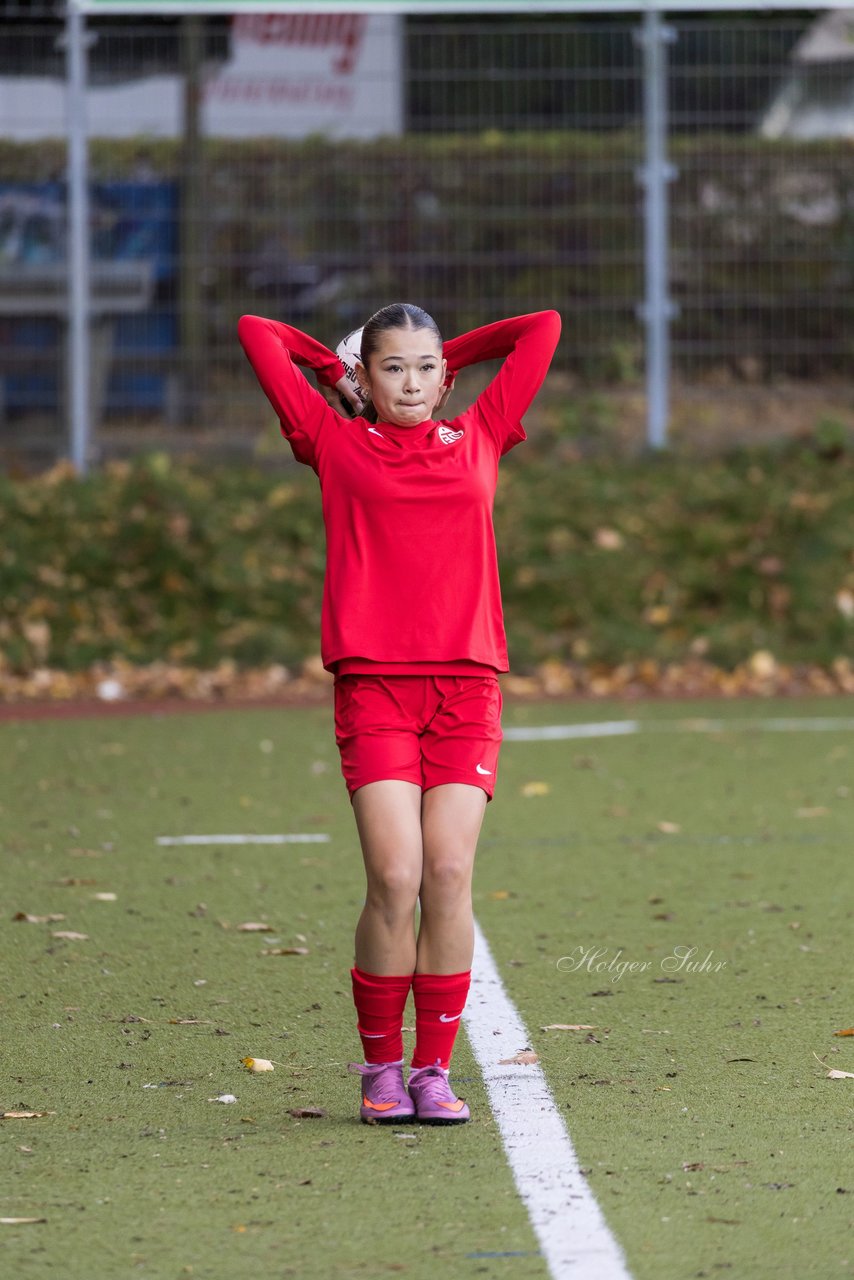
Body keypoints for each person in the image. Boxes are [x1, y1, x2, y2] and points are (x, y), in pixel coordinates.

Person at [238, 302, 561, 1125]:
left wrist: (446, 348)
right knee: (395, 877)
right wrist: (329, 371)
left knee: (448, 873)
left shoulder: (480, 431)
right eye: (392, 368)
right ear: (366, 378)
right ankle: (380, 1068)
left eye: (426, 368)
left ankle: (431, 1072)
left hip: (467, 686)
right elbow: (255, 331)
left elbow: (544, 327)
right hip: (375, 685)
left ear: (447, 377)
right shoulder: (333, 440)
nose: (412, 383)